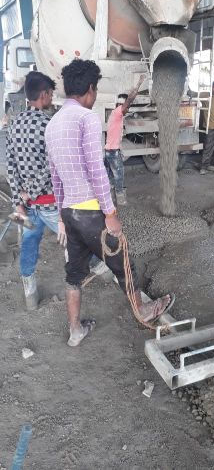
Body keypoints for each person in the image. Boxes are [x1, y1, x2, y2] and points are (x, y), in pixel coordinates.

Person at [45, 59, 174, 347]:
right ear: (90, 89)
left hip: (69, 213)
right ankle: (142, 311)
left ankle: (75, 330)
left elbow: (56, 177)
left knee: (74, 275)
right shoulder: (87, 119)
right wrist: (111, 213)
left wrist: (60, 217)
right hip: (92, 212)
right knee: (122, 263)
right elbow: (96, 169)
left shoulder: (52, 124)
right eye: (95, 90)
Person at [6, 71, 110, 311]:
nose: (52, 99)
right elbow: (52, 166)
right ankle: (104, 269)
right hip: (50, 204)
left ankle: (30, 295)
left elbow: (10, 166)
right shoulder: (49, 124)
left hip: (25, 207)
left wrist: (17, 200)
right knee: (77, 240)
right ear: (43, 95)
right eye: (51, 94)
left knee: (28, 245)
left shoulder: (12, 126)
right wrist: (32, 192)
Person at [104, 75, 145, 206]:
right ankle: (121, 200)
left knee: (110, 177)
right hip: (112, 152)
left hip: (109, 151)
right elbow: (130, 99)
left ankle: (110, 201)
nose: (128, 109)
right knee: (119, 176)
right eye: (126, 107)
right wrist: (139, 83)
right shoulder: (117, 113)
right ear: (121, 105)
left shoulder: (116, 115)